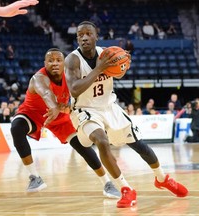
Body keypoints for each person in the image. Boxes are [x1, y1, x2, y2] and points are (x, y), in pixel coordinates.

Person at [64, 21, 188, 208]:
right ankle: (125, 189)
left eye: (88, 33)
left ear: (96, 36)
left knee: (139, 145)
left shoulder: (106, 53)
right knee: (102, 140)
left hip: (109, 106)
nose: (84, 37)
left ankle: (162, 178)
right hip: (86, 109)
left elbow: (118, 74)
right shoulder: (72, 60)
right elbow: (74, 90)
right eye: (80, 35)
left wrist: (122, 64)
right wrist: (100, 68)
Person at [10, 48, 120, 198]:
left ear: (64, 63)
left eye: (58, 60)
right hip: (33, 114)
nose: (54, 63)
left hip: (60, 116)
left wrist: (66, 109)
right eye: (50, 60)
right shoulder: (38, 78)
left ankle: (107, 183)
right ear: (45, 63)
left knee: (82, 146)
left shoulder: (71, 77)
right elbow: (46, 93)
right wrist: (54, 106)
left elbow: (77, 100)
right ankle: (35, 177)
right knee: (16, 127)